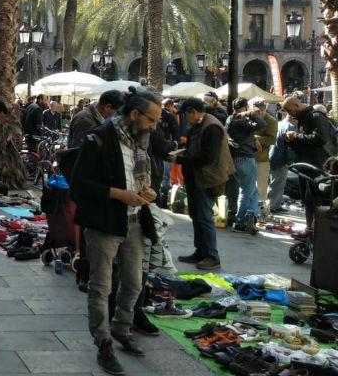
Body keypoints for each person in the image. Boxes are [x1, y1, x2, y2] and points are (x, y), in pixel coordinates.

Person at [71, 87, 161, 376]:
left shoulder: (140, 140)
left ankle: (122, 329)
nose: (154, 126)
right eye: (151, 120)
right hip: (104, 224)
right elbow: (79, 185)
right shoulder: (99, 137)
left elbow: (145, 176)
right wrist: (121, 195)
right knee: (101, 287)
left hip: (134, 221)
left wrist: (149, 192)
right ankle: (103, 343)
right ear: (134, 114)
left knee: (134, 283)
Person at [173, 98, 233, 271]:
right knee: (197, 215)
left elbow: (208, 157)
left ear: (193, 111)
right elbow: (195, 148)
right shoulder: (199, 125)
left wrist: (179, 159)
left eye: (185, 114)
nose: (185, 118)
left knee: (205, 217)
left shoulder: (211, 126)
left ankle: (212, 256)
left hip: (207, 179)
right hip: (195, 177)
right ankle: (201, 251)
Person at [281, 95, 334, 231]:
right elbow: (303, 142)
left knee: (313, 199)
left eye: (290, 110)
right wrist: (289, 140)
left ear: (297, 106)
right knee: (307, 199)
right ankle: (310, 227)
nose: (289, 114)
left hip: (315, 165)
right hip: (305, 165)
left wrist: (295, 136)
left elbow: (319, 138)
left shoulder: (316, 117)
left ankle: (315, 228)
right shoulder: (302, 119)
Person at [224, 97, 265, 234]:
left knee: (253, 190)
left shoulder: (230, 119)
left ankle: (251, 213)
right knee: (247, 191)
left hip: (234, 158)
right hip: (245, 158)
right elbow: (261, 124)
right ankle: (241, 221)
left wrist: (254, 139)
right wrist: (250, 114)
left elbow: (244, 134)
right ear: (246, 107)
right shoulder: (241, 121)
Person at [250, 97, 277, 216]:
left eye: (262, 110)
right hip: (247, 156)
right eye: (257, 111)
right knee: (247, 185)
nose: (260, 113)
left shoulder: (271, 121)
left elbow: (272, 139)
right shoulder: (248, 117)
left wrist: (254, 139)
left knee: (261, 186)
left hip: (261, 158)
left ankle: (259, 211)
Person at [267, 109, 295, 213]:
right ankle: (273, 205)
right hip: (281, 158)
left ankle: (273, 204)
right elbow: (289, 147)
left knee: (274, 182)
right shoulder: (290, 127)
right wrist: (289, 161)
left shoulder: (280, 124)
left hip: (273, 155)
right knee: (278, 183)